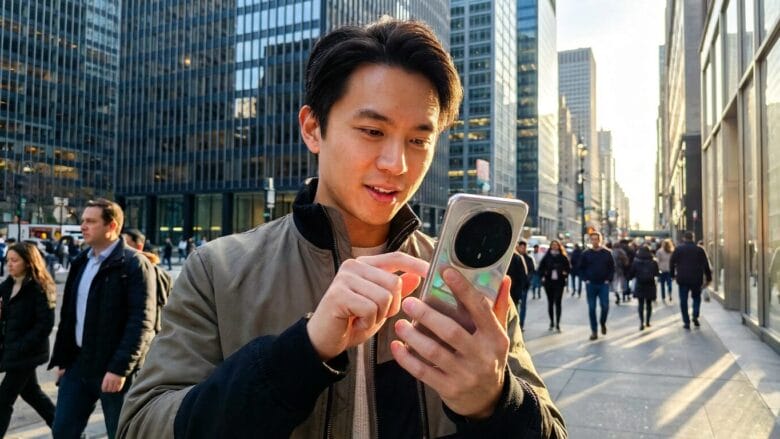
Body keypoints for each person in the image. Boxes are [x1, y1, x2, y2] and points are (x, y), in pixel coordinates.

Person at [117, 18, 566, 438]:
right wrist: (304, 352)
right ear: (314, 129)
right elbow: (141, 423)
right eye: (372, 131)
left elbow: (550, 426)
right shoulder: (218, 271)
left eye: (418, 139)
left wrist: (495, 401)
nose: (397, 164)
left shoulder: (464, 284)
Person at [48, 199, 157, 438]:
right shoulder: (81, 262)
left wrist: (119, 369)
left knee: (121, 433)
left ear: (112, 226)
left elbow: (142, 322)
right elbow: (70, 316)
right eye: (83, 221)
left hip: (113, 369)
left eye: (90, 221)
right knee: (63, 431)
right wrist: (64, 360)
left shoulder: (133, 264)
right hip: (78, 365)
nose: (83, 226)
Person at [0, 242, 57, 434]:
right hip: (11, 349)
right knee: (32, 393)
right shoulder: (7, 286)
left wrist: (22, 345)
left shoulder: (40, 287)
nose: (10, 264)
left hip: (27, 352)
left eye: (15, 260)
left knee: (3, 399)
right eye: (8, 260)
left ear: (28, 261)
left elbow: (45, 324)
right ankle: (65, 429)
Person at [669, 231, 712, 329]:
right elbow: (706, 265)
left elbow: (672, 262)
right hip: (696, 278)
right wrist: (708, 278)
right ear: (693, 238)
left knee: (683, 300)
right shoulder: (700, 250)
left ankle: (686, 321)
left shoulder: (679, 249)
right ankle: (695, 315)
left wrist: (672, 275)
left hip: (683, 278)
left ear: (684, 238)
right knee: (696, 297)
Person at [578, 232, 615, 341]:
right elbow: (580, 268)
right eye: (592, 239)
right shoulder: (586, 254)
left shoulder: (607, 253)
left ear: (600, 240)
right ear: (590, 241)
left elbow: (612, 268)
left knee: (605, 306)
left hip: (603, 284)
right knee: (592, 308)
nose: (595, 241)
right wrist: (586, 279)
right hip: (591, 284)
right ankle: (594, 331)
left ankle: (602, 323)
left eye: (596, 239)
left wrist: (609, 279)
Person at [538, 240, 571, 332]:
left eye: (556, 245)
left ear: (559, 246)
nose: (554, 246)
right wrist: (543, 276)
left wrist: (565, 273)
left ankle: (558, 324)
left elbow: (568, 268)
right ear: (550, 246)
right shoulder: (547, 257)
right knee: (550, 303)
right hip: (548, 283)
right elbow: (540, 268)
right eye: (553, 245)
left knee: (558, 302)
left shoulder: (563, 257)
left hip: (559, 282)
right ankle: (552, 322)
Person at [629, 246, 659, 331]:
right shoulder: (653, 262)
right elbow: (656, 273)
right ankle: (648, 322)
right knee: (649, 304)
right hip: (650, 284)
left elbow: (632, 273)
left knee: (640, 304)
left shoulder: (636, 262)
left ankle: (641, 322)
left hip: (640, 284)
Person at [507, 240, 534, 330]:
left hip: (516, 291)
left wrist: (521, 289)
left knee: (517, 308)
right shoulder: (504, 257)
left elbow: (524, 275)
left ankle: (518, 325)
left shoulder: (519, 258)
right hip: (505, 290)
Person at [656, 238, 674, 302]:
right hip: (669, 269)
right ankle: (670, 294)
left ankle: (663, 297)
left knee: (662, 284)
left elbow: (658, 261)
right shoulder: (671, 251)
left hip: (662, 269)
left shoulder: (659, 251)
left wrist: (657, 269)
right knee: (669, 283)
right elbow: (673, 261)